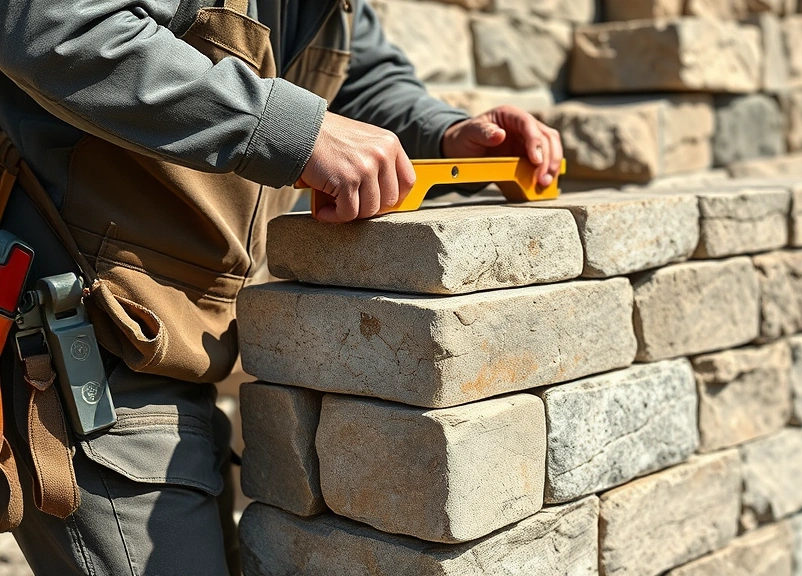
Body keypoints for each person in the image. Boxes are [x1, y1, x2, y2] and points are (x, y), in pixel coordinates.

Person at [0, 0, 564, 573]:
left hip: (183, 343)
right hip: (82, 342)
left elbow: (363, 79)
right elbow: (56, 27)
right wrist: (286, 129)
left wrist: (445, 133)